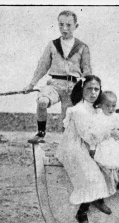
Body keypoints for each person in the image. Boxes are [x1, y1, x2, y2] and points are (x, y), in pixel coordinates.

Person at [55, 75, 119, 223]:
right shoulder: (79, 109)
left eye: (96, 89)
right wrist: (109, 132)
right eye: (89, 89)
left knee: (108, 164)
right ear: (82, 89)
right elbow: (88, 135)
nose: (93, 93)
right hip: (74, 148)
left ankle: (98, 198)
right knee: (93, 176)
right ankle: (81, 214)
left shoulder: (95, 108)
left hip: (89, 146)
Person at [25, 10, 92, 144]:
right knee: (42, 101)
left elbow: (87, 70)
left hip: (73, 88)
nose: (64, 28)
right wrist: (31, 84)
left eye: (68, 25)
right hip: (54, 84)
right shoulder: (52, 45)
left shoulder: (82, 47)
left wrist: (89, 91)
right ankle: (41, 133)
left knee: (66, 123)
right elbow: (42, 66)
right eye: (61, 25)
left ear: (76, 26)